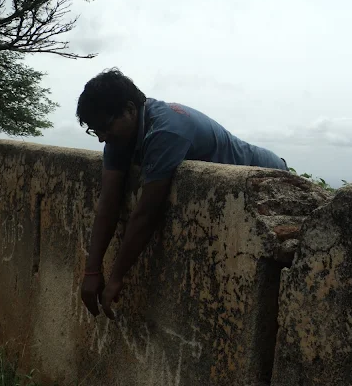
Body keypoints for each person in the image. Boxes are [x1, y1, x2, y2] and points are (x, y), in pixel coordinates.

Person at [76, 68, 288, 319]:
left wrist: (116, 277)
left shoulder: (165, 131)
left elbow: (146, 213)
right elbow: (108, 201)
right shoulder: (118, 135)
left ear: (130, 109)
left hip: (268, 174)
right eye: (95, 130)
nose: (101, 138)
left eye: (104, 127)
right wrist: (92, 271)